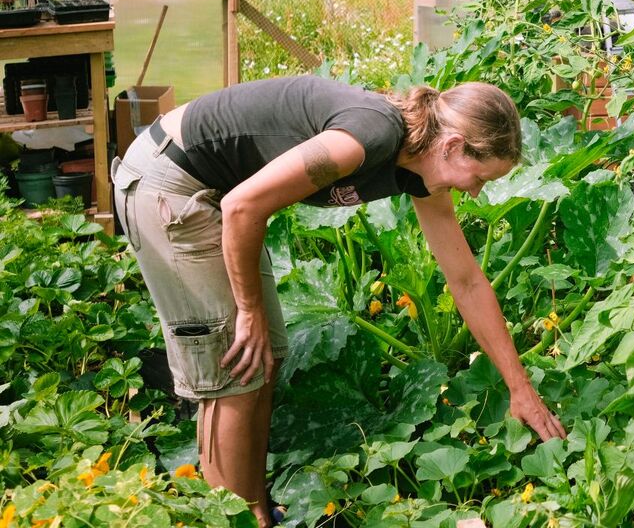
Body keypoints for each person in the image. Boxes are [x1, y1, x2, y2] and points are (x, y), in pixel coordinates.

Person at [111, 76, 566, 527]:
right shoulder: (368, 138)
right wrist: (248, 312)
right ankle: (223, 520)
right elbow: (243, 207)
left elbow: (466, 281)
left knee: (264, 359)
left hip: (220, 194)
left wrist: (519, 387)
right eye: (479, 177)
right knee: (234, 368)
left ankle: (252, 510)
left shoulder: (421, 172)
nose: (475, 192)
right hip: (170, 180)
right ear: (452, 146)